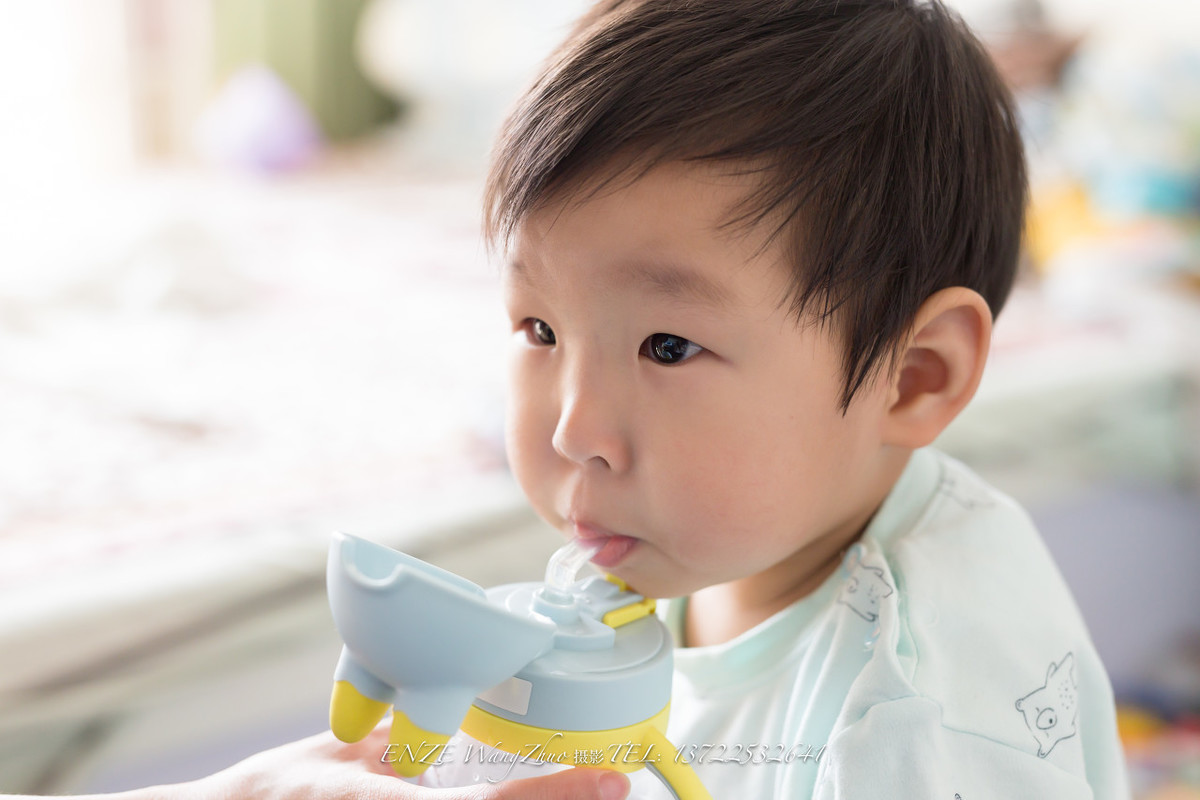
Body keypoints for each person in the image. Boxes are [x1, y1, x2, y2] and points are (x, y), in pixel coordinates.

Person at [7, 0, 1128, 798]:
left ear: (916, 374)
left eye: (670, 344)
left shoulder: (927, 726)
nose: (569, 426)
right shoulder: (725, 538)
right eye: (538, 328)